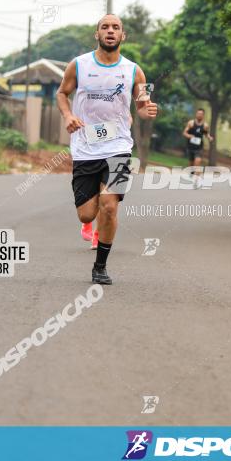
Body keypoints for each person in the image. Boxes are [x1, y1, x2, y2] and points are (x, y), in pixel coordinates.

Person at [57, 14, 158, 284]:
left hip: (119, 145)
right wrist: (68, 116)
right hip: (85, 147)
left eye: (115, 28)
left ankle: (100, 266)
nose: (110, 31)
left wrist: (147, 107)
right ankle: (90, 222)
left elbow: (142, 102)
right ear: (97, 34)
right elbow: (61, 94)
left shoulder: (134, 70)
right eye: (105, 27)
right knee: (87, 213)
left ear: (123, 36)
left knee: (110, 206)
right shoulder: (78, 65)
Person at [80, 110, 134, 249]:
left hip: (115, 154)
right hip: (91, 155)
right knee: (94, 197)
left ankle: (97, 236)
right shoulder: (89, 103)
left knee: (110, 202)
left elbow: (128, 121)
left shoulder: (118, 102)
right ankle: (87, 221)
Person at [182, 108, 213, 175]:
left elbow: (206, 134)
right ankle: (191, 176)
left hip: (199, 147)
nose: (199, 115)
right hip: (190, 146)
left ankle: (196, 179)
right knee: (191, 165)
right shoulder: (191, 123)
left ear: (203, 115)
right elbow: (184, 133)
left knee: (197, 162)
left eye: (201, 114)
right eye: (198, 113)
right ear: (196, 114)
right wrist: (189, 136)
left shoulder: (205, 126)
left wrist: (209, 137)